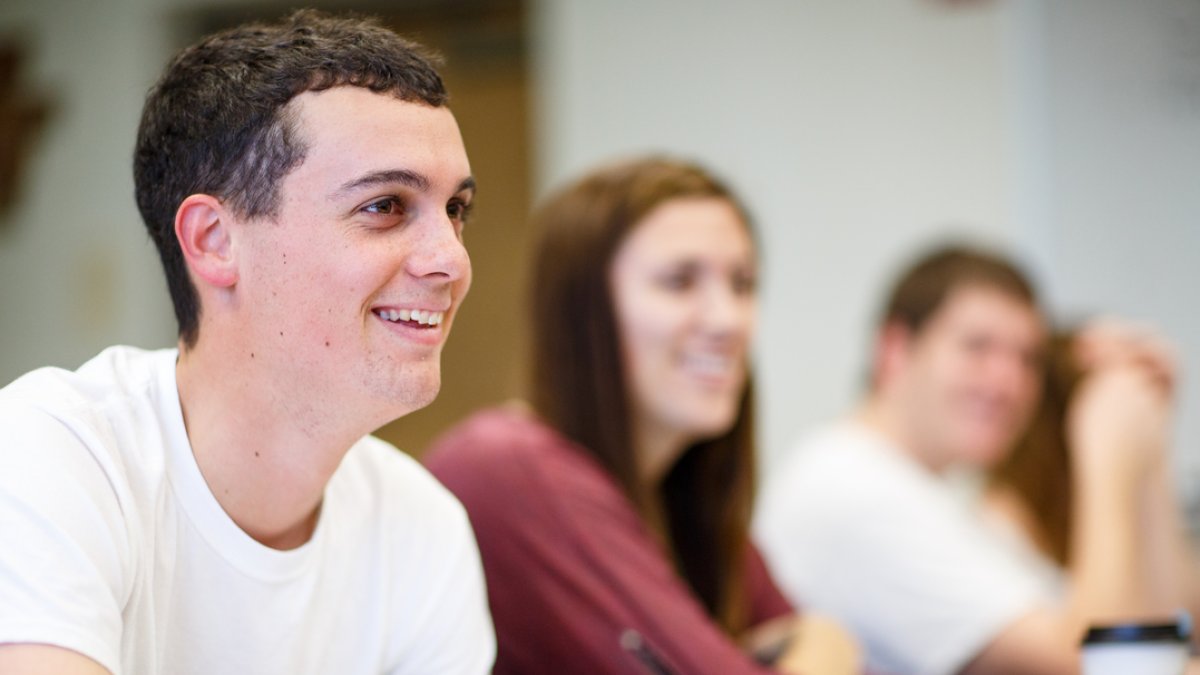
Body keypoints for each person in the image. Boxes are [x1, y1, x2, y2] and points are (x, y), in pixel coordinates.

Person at [0, 10, 493, 674]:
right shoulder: (53, 455)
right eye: (385, 206)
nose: (451, 261)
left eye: (455, 210)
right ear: (214, 241)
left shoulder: (422, 527)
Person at [424, 157, 861, 674]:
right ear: (584, 312)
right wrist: (829, 641)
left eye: (743, 283)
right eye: (679, 282)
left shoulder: (676, 490)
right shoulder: (511, 469)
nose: (728, 319)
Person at [754, 244, 1188, 675]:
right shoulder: (850, 488)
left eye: (1027, 358)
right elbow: (1094, 663)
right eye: (978, 347)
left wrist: (1149, 442)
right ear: (895, 349)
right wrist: (1108, 455)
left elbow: (1172, 631)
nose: (1009, 381)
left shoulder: (937, 497)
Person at [983, 320, 1200, 635]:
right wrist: (1106, 455)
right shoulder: (996, 533)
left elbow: (1182, 621)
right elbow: (1103, 650)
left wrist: (1154, 452)